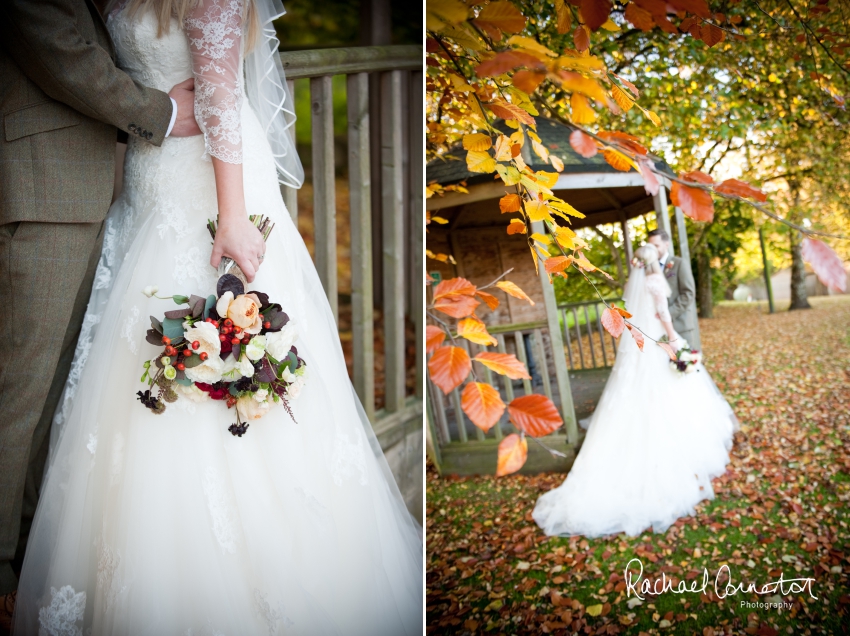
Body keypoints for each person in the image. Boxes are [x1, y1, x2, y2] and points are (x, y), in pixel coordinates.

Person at [11, 1, 423, 634]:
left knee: (219, 365)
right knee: (139, 363)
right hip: (152, 178)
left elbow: (222, 96)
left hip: (209, 186)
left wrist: (232, 216)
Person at [0, 0, 204, 628]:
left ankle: (30, 551)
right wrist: (161, 112)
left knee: (59, 385)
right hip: (43, 183)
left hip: (96, 186)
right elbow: (55, 45)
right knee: (19, 390)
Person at [532, 245, 738, 538]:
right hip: (657, 341)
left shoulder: (635, 284)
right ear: (653, 260)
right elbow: (663, 313)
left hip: (641, 344)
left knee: (635, 395)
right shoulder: (655, 281)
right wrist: (675, 338)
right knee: (666, 394)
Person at [646, 228, 700, 350]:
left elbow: (688, 294)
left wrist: (667, 313)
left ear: (667, 244)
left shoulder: (679, 263)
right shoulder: (647, 269)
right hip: (656, 328)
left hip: (680, 325)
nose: (653, 250)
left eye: (656, 245)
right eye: (650, 246)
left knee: (684, 364)